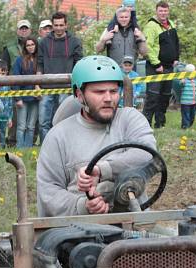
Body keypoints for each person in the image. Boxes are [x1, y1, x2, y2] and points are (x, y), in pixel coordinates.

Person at [37, 55, 155, 217]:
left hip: (133, 222)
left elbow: (147, 154)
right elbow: (48, 191)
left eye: (113, 91)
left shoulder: (130, 119)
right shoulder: (58, 136)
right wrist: (83, 205)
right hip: (79, 230)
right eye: (99, 92)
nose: (108, 98)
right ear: (79, 95)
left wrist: (101, 170)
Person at [37, 12, 83, 139]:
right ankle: (45, 146)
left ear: (66, 25)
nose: (58, 28)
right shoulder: (43, 42)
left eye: (61, 25)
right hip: (46, 86)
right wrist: (36, 84)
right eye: (56, 25)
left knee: (64, 120)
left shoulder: (75, 41)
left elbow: (79, 63)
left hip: (66, 86)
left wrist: (77, 85)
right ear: (52, 25)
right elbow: (39, 63)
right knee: (43, 121)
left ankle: (63, 145)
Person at [142, 1, 179, 128]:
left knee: (165, 97)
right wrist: (157, 64)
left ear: (168, 11)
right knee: (153, 97)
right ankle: (145, 125)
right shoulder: (151, 26)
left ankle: (160, 125)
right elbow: (147, 47)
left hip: (169, 67)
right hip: (155, 67)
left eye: (165, 11)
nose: (163, 13)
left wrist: (176, 58)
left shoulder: (171, 24)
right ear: (156, 11)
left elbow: (175, 42)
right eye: (161, 11)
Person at [13, 37, 39, 148]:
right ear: (25, 47)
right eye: (28, 45)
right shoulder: (20, 60)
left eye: (32, 44)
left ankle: (28, 149)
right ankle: (20, 148)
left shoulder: (39, 59)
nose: (30, 47)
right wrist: (17, 98)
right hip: (23, 98)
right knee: (21, 126)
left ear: (36, 45)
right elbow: (15, 79)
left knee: (31, 126)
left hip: (36, 98)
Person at [0, 61, 13, 147]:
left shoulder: (7, 87)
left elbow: (10, 103)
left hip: (4, 117)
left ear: (6, 73)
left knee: (3, 134)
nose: (0, 75)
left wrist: (10, 118)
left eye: (3, 73)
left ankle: (2, 150)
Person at [179, 64, 196, 128]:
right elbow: (181, 85)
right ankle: (185, 127)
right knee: (186, 115)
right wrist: (182, 81)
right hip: (185, 103)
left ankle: (189, 126)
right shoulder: (184, 81)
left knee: (192, 116)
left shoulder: (195, 81)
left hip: (193, 102)